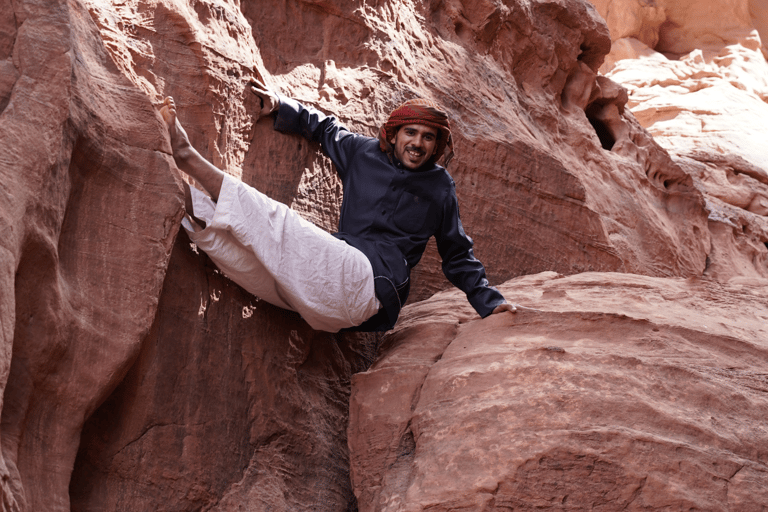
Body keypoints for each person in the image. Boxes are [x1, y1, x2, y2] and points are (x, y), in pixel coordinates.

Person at [159, 81, 515, 332]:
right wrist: (282, 106)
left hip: (372, 283)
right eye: (411, 132)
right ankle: (174, 189)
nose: (418, 143)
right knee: (245, 260)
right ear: (394, 134)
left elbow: (457, 254)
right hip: (322, 294)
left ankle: (186, 156)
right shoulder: (364, 153)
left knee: (280, 226)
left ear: (436, 146)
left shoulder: (440, 187)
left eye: (428, 137)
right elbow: (327, 129)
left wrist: (489, 301)